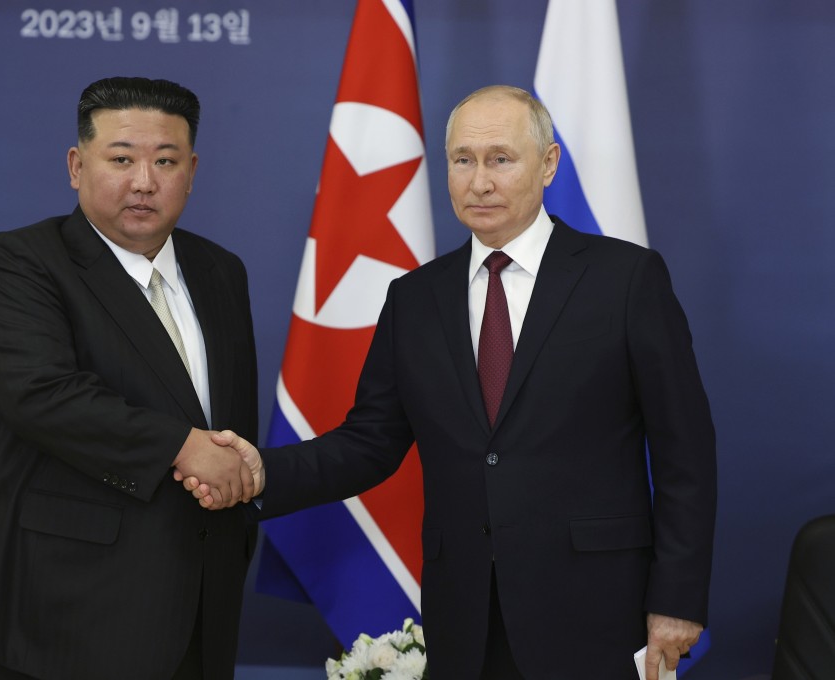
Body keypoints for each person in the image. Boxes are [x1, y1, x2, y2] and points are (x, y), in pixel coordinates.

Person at [182, 85, 716, 680]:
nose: (479, 181)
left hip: (596, 610)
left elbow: (685, 452)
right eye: (463, 160)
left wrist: (677, 598)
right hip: (465, 617)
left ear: (548, 164)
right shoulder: (415, 297)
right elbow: (370, 442)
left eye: (500, 159)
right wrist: (262, 471)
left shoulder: (625, 279)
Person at [0, 77, 259, 680]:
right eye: (121, 159)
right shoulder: (21, 260)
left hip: (202, 599)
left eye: (165, 161)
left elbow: (227, 421)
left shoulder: (221, 270)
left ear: (192, 171)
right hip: (69, 608)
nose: (144, 181)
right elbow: (43, 396)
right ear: (76, 165)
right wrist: (184, 447)